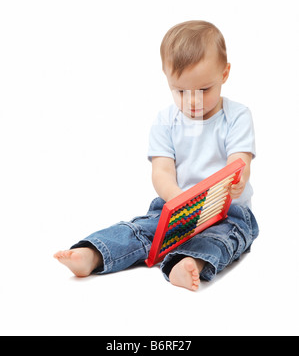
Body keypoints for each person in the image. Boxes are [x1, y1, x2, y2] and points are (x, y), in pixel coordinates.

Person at [54, 20, 259, 291]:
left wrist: (239, 178)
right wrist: (179, 201)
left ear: (224, 73)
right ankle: (92, 254)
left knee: (220, 239)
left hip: (227, 212)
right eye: (181, 91)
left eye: (204, 90)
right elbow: (162, 171)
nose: (193, 101)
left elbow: (239, 160)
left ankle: (187, 265)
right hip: (176, 205)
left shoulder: (237, 116)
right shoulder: (166, 121)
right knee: (139, 229)